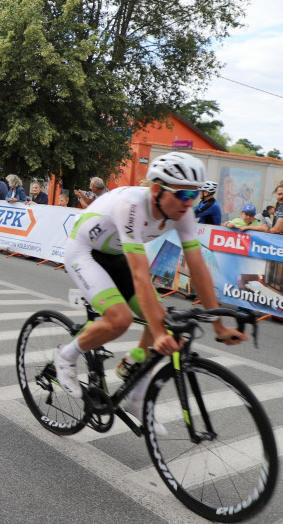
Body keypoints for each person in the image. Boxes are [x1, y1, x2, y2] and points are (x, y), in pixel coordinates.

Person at [53, 152, 248, 432]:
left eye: (194, 195)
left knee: (165, 324)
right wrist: (156, 333)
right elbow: (140, 274)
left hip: (116, 253)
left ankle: (134, 392)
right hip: (85, 251)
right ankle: (66, 355)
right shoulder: (131, 206)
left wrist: (218, 325)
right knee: (119, 320)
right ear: (157, 189)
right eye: (182, 195)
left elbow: (197, 267)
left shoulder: (183, 212)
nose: (189, 202)